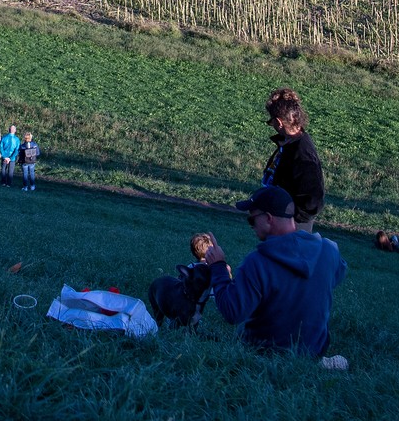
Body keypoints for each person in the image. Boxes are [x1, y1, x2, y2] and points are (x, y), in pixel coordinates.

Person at [202, 186, 348, 363]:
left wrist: (218, 267)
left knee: (243, 329)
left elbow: (232, 312)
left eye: (252, 219)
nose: (251, 226)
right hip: (313, 352)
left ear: (269, 219)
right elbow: (337, 275)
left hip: (264, 353)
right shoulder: (329, 250)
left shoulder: (257, 262)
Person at [260, 88, 326, 231]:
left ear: (279, 122)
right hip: (281, 223)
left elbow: (313, 201)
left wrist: (291, 220)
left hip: (293, 230)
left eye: (271, 121)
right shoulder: (289, 144)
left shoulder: (302, 153)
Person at [148, 232, 225, 328]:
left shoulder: (205, 268)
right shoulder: (196, 270)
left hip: (203, 298)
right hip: (162, 290)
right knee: (162, 318)